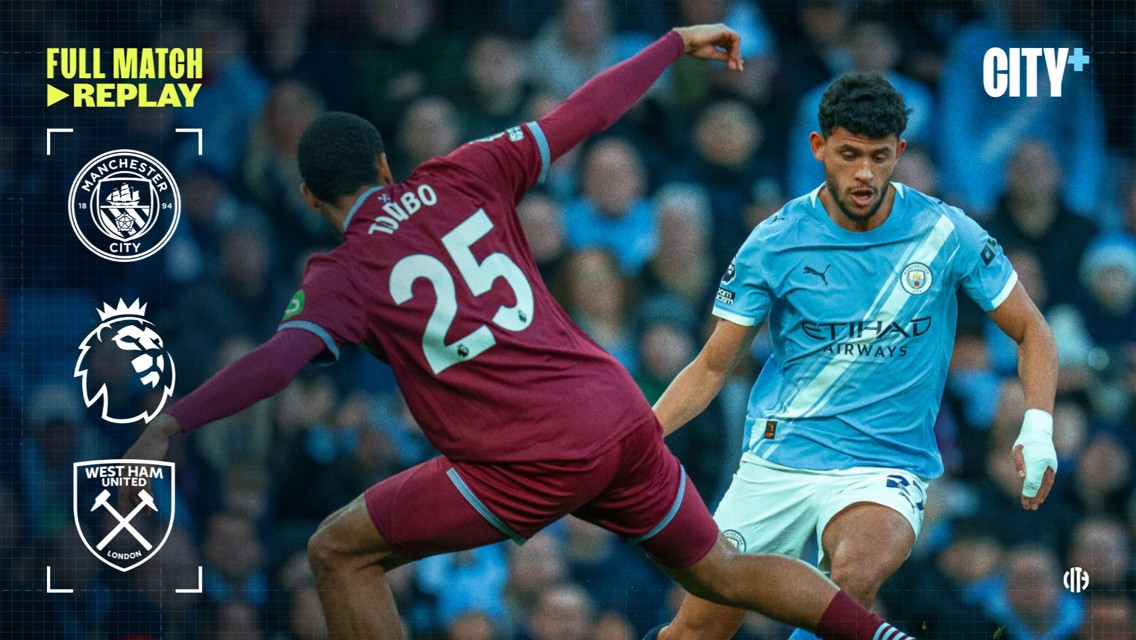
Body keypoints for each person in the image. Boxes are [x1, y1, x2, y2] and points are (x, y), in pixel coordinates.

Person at [121, 26, 918, 640]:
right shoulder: (464, 173)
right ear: (386, 162)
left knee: (336, 551)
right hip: (615, 409)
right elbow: (585, 111)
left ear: (306, 196)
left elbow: (276, 362)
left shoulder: (342, 274)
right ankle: (877, 635)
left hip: (527, 456)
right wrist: (675, 45)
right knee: (720, 570)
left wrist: (173, 418)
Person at [643, 72, 1058, 640]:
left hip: (884, 467)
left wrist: (1037, 426)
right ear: (818, 148)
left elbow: (1033, 331)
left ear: (900, 153)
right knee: (697, 628)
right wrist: (642, 435)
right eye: (849, 154)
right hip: (778, 461)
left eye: (880, 157)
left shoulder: (946, 233)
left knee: (853, 577)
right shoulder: (775, 240)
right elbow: (713, 364)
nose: (865, 173)